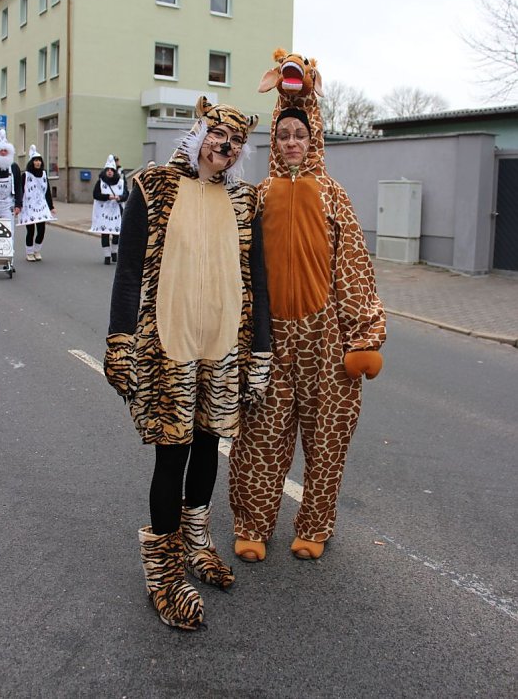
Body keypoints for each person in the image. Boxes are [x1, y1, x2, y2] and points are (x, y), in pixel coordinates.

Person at [104, 96, 271, 630]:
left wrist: (261, 353)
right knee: (171, 456)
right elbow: (129, 272)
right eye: (220, 136)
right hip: (166, 346)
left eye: (237, 142)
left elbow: (258, 284)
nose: (227, 147)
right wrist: (119, 341)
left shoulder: (245, 202)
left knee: (207, 447)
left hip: (222, 346)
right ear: (201, 133)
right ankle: (164, 571)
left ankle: (197, 541)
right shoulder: (152, 186)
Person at [229, 49, 386, 563]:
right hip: (271, 338)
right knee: (260, 439)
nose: (292, 142)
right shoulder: (258, 196)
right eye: (284, 135)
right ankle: (253, 525)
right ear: (274, 139)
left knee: (327, 439)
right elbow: (240, 270)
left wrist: (363, 335)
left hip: (325, 339)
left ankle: (315, 525)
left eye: (300, 134)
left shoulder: (332, 195)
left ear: (312, 137)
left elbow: (355, 267)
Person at [17, 145, 56, 262]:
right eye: (35, 160)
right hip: (29, 206)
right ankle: (29, 252)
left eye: (39, 160)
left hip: (41, 206)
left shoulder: (44, 175)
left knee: (41, 230)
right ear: (32, 162)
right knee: (31, 230)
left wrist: (51, 207)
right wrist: (19, 205)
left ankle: (37, 250)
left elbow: (47, 191)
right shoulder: (26, 175)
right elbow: (21, 190)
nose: (38, 163)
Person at [89, 154, 129, 264]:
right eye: (108, 170)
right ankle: (107, 255)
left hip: (117, 211)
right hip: (104, 212)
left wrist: (120, 198)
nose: (110, 172)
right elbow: (95, 195)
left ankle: (114, 252)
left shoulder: (120, 182)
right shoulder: (101, 182)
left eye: (112, 170)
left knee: (116, 232)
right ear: (105, 171)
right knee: (105, 232)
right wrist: (108, 197)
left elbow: (126, 194)